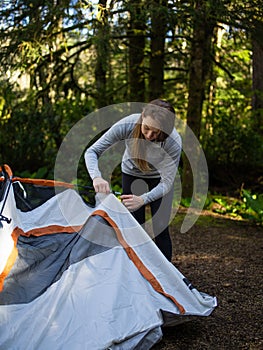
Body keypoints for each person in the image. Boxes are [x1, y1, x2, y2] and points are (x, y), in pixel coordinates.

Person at [84, 99, 182, 261]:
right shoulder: (127, 125)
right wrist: (96, 177)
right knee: (135, 229)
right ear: (142, 117)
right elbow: (92, 151)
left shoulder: (173, 141)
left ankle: (167, 278)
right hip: (131, 175)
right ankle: (137, 272)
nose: (150, 136)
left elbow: (167, 182)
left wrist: (143, 199)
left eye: (156, 132)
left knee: (160, 228)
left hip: (159, 181)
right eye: (147, 128)